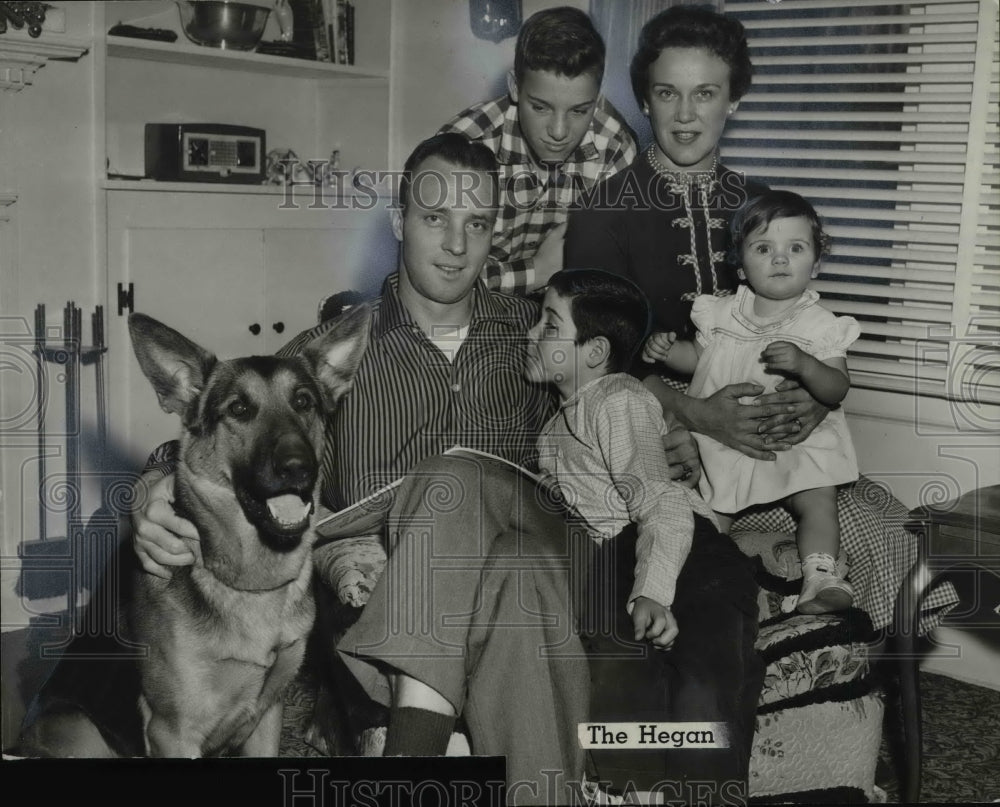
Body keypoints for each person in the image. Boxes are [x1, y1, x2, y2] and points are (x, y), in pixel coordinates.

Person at [129, 132, 702, 805]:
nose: (457, 245)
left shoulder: (536, 334)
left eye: (478, 223)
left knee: (454, 480)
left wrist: (691, 421)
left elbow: (623, 384)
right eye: (436, 219)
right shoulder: (325, 359)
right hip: (422, 597)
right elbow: (213, 429)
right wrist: (151, 493)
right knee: (513, 567)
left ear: (496, 233)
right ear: (400, 221)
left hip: (558, 547)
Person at [564, 4, 957, 634]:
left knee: (886, 534)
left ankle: (831, 630)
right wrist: (696, 415)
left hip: (769, 444)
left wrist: (812, 398)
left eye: (706, 94)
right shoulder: (602, 213)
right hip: (653, 436)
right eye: (668, 93)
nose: (686, 115)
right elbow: (590, 368)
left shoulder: (763, 210)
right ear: (644, 98)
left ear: (734, 102)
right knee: (696, 569)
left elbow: (805, 323)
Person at [524, 268, 763, 801]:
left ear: (593, 351)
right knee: (617, 668)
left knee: (702, 687)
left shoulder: (618, 399)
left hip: (692, 556)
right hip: (618, 560)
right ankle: (637, 792)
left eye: (549, 323)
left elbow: (661, 499)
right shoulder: (553, 431)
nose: (531, 334)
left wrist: (653, 588)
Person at [647, 191, 860, 614]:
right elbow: (700, 360)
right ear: (741, 266)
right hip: (725, 438)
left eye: (795, 248)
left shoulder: (820, 325)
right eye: (764, 249)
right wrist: (668, 352)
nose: (780, 259)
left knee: (818, 495)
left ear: (816, 263)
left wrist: (805, 365)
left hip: (794, 441)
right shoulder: (721, 313)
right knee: (708, 510)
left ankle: (821, 578)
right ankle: (694, 575)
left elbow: (837, 387)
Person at [439, 6, 637, 296]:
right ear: (515, 88)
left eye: (579, 111)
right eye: (541, 107)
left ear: (596, 99)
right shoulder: (464, 145)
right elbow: (433, 274)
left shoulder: (615, 150)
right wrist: (536, 272)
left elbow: (613, 281)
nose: (558, 131)